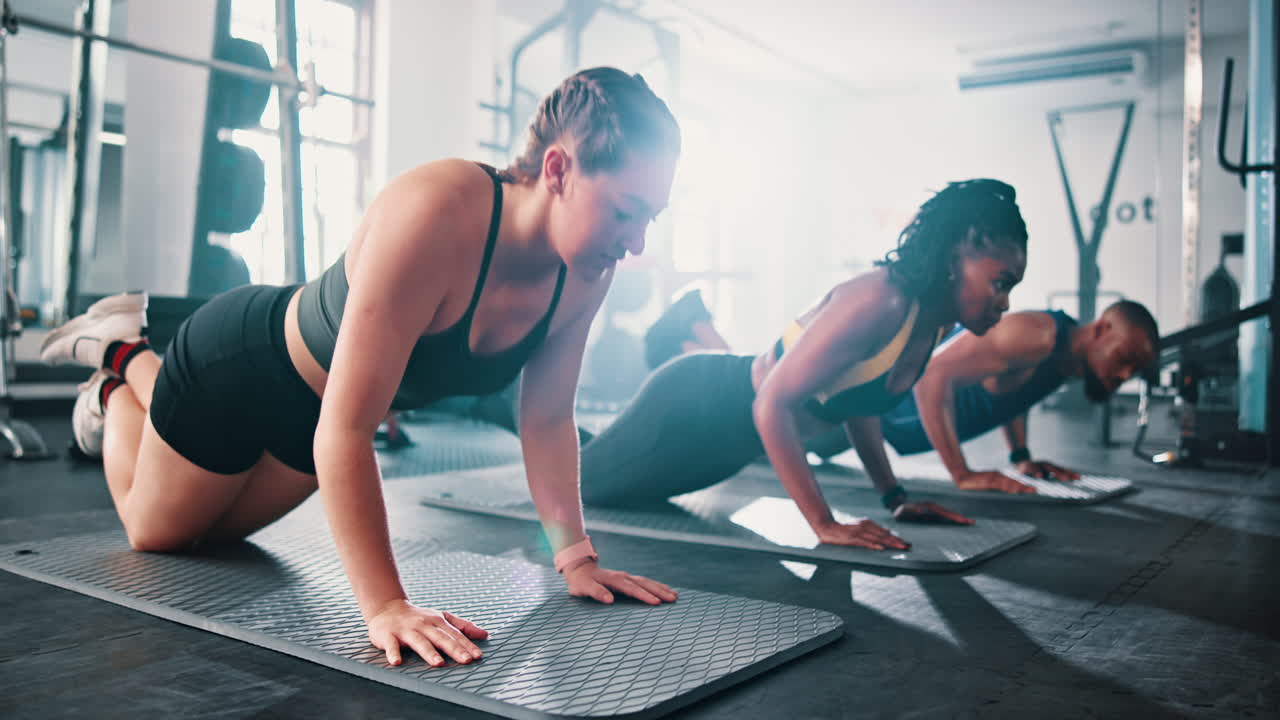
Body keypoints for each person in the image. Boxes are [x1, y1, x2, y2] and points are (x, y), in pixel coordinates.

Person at [42, 67, 681, 668]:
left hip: (314, 424)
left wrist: (575, 560)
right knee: (155, 534)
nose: (636, 242)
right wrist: (385, 606)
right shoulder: (436, 212)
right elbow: (348, 429)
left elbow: (546, 419)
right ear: (558, 169)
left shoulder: (586, 271)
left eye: (650, 219)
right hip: (239, 369)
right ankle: (119, 368)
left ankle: (131, 360)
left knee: (213, 540)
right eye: (626, 211)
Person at [578, 179, 1031, 551]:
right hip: (691, 410)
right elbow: (770, 404)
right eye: (1000, 282)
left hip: (727, 450)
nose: (1006, 303)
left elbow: (861, 406)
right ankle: (532, 407)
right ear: (954, 259)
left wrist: (895, 499)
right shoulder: (881, 300)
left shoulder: (931, 324)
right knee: (581, 485)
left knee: (611, 479)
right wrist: (823, 524)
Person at [855, 301, 1159, 493]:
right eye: (1124, 358)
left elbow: (1015, 390)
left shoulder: (1064, 357)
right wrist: (962, 474)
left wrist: (1020, 456)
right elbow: (931, 376)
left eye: (1135, 369)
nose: (1125, 375)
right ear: (1101, 329)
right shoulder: (1037, 335)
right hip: (870, 406)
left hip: (887, 424)